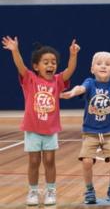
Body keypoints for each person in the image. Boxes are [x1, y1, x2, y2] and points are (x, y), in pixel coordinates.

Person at [2, 36, 80, 206]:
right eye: (45, 62)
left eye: (53, 62)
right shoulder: (29, 79)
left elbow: (69, 71)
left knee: (50, 161)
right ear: (36, 66)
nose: (50, 65)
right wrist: (15, 51)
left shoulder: (58, 81)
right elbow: (20, 66)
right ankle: (33, 191)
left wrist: (73, 55)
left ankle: (51, 190)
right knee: (34, 162)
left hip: (50, 130)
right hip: (32, 129)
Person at [60, 51, 110, 204]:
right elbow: (80, 88)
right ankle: (89, 190)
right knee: (87, 161)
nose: (103, 66)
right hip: (90, 132)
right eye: (99, 64)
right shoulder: (90, 83)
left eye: (108, 64)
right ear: (92, 68)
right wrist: (72, 93)